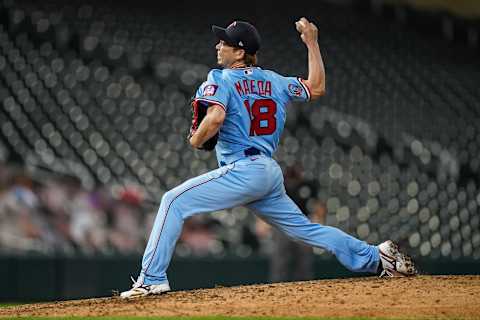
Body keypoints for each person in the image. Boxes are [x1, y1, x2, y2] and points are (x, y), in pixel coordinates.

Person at [120, 17, 417, 298]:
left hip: (245, 169)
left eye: (224, 42)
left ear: (240, 52)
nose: (218, 45)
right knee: (307, 230)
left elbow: (215, 118)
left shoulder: (220, 78)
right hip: (268, 173)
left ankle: (152, 279)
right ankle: (379, 257)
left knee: (173, 200)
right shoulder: (274, 81)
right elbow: (317, 87)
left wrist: (195, 139)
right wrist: (312, 42)